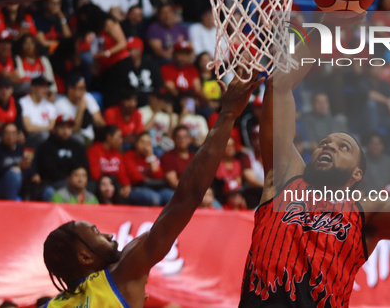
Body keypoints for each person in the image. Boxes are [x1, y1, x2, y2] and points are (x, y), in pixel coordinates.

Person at [238, 13, 390, 307]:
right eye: (324, 142)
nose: (329, 146)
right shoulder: (285, 178)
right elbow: (279, 87)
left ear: (357, 175)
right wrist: (327, 26)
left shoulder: (368, 209)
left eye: (343, 146)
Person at [41, 72, 262, 307]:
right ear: (84, 257)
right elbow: (186, 197)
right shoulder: (121, 274)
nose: (109, 235)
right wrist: (228, 114)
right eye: (96, 234)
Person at [32, 115, 90, 202]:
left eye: (69, 127)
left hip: (77, 182)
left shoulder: (77, 146)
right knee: (50, 192)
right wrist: (70, 180)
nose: (66, 131)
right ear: (55, 128)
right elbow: (48, 171)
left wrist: (76, 178)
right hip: (54, 183)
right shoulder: (45, 147)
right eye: (62, 127)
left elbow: (84, 166)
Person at [55, 75, 105, 145]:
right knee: (79, 139)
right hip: (72, 137)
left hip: (90, 136)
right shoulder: (60, 105)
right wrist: (81, 109)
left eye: (84, 88)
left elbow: (100, 122)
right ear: (70, 90)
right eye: (80, 88)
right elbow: (74, 129)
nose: (83, 91)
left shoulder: (87, 97)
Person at [19, 76, 57, 148]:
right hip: (29, 138)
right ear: (33, 88)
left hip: (48, 138)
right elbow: (28, 128)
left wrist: (45, 127)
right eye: (42, 87)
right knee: (44, 135)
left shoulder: (49, 105)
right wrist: (48, 127)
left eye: (46, 87)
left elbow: (53, 127)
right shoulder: (23, 102)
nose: (45, 90)